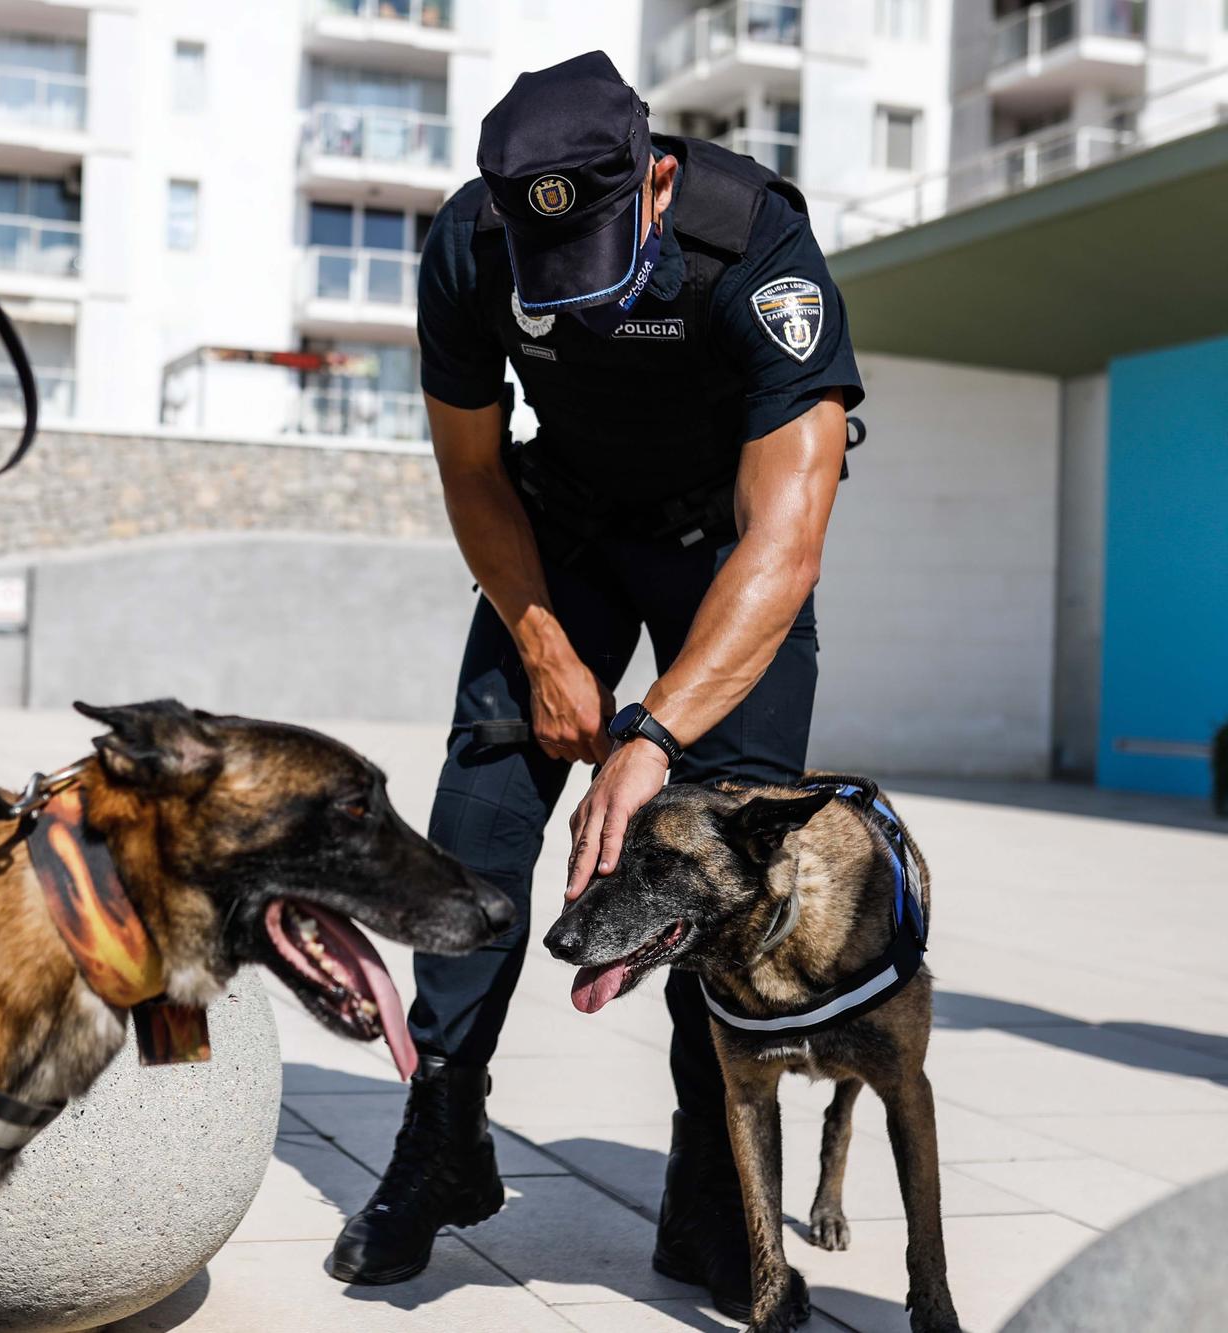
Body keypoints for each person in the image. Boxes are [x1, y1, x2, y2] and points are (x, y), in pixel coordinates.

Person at [327, 52, 863, 1317]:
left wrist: (651, 734)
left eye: (592, 255)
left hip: (723, 554)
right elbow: (471, 471)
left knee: (720, 863)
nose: (563, 289)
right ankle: (441, 1133)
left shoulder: (756, 250)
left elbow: (786, 538)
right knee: (476, 819)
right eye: (544, 266)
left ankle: (709, 1189)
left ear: (655, 181)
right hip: (559, 534)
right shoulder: (468, 245)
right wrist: (545, 649)